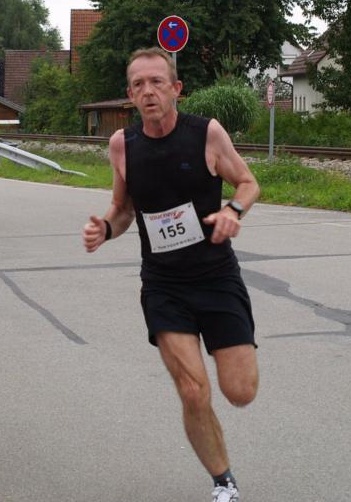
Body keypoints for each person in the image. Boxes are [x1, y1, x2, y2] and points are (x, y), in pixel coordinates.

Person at [82, 48, 261, 502]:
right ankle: (223, 482)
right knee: (192, 390)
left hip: (216, 277)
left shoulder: (206, 133)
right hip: (164, 286)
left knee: (240, 392)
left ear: (176, 89)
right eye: (138, 84)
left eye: (157, 82)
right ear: (130, 95)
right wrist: (106, 228)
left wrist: (233, 210)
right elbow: (123, 209)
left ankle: (224, 457)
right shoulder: (123, 145)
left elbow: (248, 182)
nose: (148, 92)